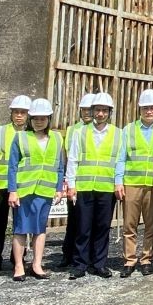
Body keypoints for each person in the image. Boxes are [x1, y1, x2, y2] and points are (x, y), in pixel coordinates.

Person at [65, 92, 124, 279]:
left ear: (109, 112)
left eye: (104, 110)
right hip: (84, 186)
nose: (100, 114)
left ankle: (99, 264)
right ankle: (80, 264)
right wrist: (71, 183)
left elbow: (120, 161)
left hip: (106, 188)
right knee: (83, 227)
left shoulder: (118, 134)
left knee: (102, 227)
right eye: (97, 110)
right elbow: (73, 159)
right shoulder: (80, 132)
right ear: (92, 111)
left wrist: (118, 183)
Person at [7, 98, 65, 282]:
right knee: (20, 229)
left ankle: (37, 264)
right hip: (24, 191)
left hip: (45, 191)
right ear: (30, 119)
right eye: (35, 118)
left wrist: (58, 189)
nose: (39, 121)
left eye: (43, 118)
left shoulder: (56, 138)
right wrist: (13, 190)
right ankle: (18, 266)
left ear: (49, 118)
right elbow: (12, 166)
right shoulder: (21, 137)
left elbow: (59, 166)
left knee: (40, 229)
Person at [119, 89, 153, 277]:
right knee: (129, 225)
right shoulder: (129, 129)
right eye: (145, 108)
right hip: (132, 183)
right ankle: (129, 260)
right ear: (139, 109)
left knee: (151, 225)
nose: (148, 111)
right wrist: (118, 181)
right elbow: (121, 158)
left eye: (152, 107)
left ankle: (147, 259)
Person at [0, 95, 31, 273]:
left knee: (21, 224)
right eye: (16, 112)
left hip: (23, 184)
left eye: (23, 112)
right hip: (2, 183)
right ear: (11, 114)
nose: (19, 115)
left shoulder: (31, 133)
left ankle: (18, 259)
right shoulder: (1, 131)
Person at [59, 93, 93, 268]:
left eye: (89, 109)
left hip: (91, 183)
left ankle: (88, 255)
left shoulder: (99, 130)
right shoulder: (72, 130)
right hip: (74, 182)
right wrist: (68, 180)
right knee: (73, 221)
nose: (86, 112)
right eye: (84, 109)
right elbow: (67, 157)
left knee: (89, 223)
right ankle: (68, 254)